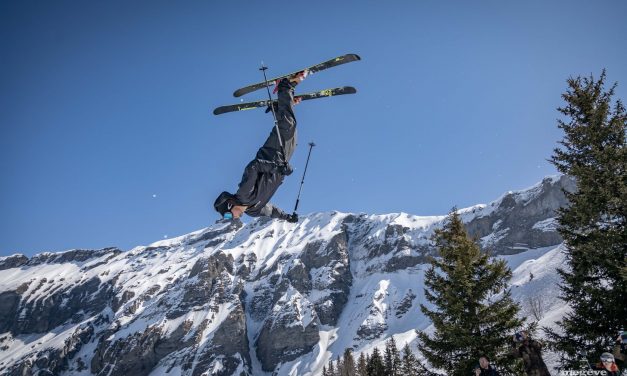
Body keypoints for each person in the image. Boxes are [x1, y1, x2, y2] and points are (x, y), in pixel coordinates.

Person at [214, 70, 307, 222]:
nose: (233, 218)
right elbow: (271, 211)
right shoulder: (254, 210)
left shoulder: (244, 194)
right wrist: (287, 217)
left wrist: (277, 168)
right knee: (292, 132)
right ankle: (281, 105)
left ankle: (285, 86)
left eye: (228, 215)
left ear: (230, 205)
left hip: (273, 153)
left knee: (288, 126)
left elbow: (254, 167)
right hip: (282, 161)